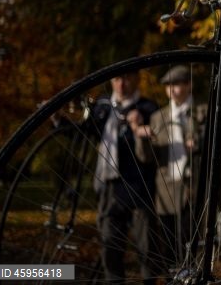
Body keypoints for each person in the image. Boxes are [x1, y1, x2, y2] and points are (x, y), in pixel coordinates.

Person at [131, 65, 207, 272]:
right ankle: (174, 277)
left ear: (189, 85)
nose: (173, 90)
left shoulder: (203, 111)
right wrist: (141, 137)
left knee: (192, 241)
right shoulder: (158, 117)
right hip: (167, 189)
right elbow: (146, 158)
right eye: (169, 86)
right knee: (169, 245)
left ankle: (194, 275)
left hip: (194, 186)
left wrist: (198, 141)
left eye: (178, 85)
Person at [87, 72, 159, 285]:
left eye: (127, 78)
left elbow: (158, 137)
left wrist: (140, 127)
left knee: (147, 247)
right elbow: (84, 132)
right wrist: (58, 121)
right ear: (111, 82)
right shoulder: (102, 108)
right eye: (117, 79)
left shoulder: (148, 108)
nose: (121, 83)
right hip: (109, 186)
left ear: (136, 80)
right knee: (110, 244)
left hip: (139, 186)